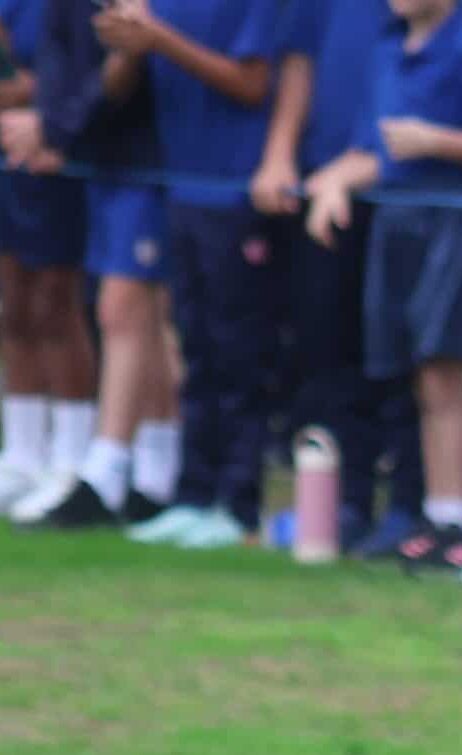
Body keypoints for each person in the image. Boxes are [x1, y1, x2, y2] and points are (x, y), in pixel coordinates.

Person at [304, 0, 462, 573]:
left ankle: (461, 521)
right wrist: (332, 184)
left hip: (450, 225)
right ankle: (438, 510)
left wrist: (434, 141)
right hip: (396, 226)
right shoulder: (385, 52)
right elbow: (372, 152)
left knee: (446, 368)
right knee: (420, 376)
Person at [92, 0, 277, 550]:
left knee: (236, 350)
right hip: (181, 187)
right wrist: (131, 41)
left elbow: (251, 84)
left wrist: (160, 39)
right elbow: (113, 89)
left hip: (236, 191)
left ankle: (237, 504)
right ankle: (194, 494)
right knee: (194, 349)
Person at [260, 0, 426, 556]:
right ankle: (342, 506)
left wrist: (343, 176)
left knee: (406, 361)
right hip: (331, 194)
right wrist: (293, 160)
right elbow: (302, 63)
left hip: (413, 207)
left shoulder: (424, 27)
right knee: (327, 354)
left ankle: (409, 507)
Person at [2, 0, 169, 529]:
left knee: (94, 308)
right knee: (24, 306)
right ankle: (40, 457)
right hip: (78, 156)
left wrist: (54, 127)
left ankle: (94, 463)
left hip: (117, 159)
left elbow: (105, 70)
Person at [0, 0, 97, 527]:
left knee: (55, 303)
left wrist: (42, 114)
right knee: (13, 304)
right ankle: (22, 454)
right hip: (12, 159)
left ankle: (70, 459)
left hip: (58, 156)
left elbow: (68, 80)